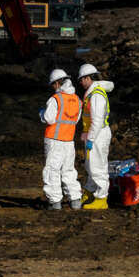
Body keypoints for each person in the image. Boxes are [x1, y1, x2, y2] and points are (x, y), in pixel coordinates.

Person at [39, 68, 83, 210]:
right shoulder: (77, 100)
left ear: (58, 83)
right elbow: (75, 120)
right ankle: (75, 200)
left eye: (53, 84)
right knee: (69, 170)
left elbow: (49, 118)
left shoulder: (56, 99)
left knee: (52, 170)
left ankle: (55, 202)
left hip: (54, 140)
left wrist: (42, 114)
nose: (53, 87)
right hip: (69, 141)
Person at [77, 63, 114, 210]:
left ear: (87, 78)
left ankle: (101, 198)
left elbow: (97, 121)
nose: (80, 82)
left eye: (81, 79)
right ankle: (91, 191)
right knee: (90, 165)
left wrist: (91, 138)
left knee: (98, 166)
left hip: (98, 135)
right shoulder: (92, 93)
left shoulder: (97, 95)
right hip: (93, 134)